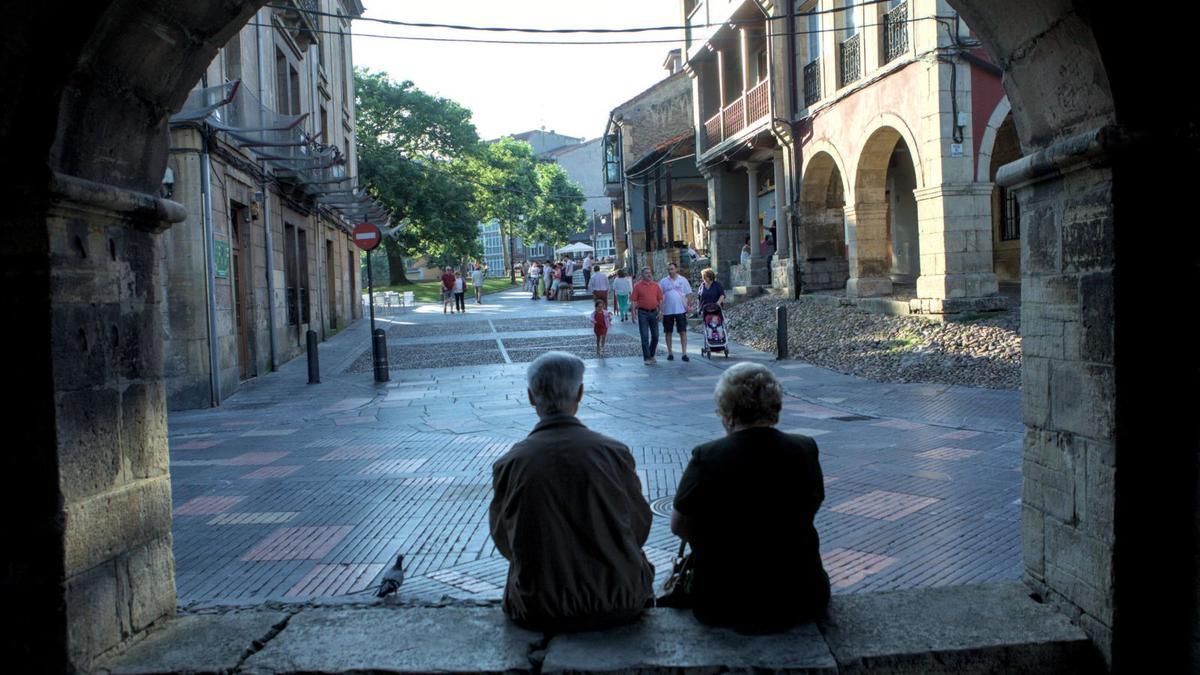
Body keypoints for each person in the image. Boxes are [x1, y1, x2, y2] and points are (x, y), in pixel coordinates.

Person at [489, 352, 654, 631]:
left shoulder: (511, 463)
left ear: (531, 397)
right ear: (580, 393)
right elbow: (639, 526)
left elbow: (505, 539)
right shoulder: (613, 453)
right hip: (620, 600)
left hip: (539, 605)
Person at [670, 363, 830, 632]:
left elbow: (678, 525)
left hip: (725, 600)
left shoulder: (707, 456)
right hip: (801, 594)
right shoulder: (804, 449)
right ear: (774, 405)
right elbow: (811, 504)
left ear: (727, 411)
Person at [659, 262, 694, 362]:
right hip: (667, 311)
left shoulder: (683, 280)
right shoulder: (663, 281)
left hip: (680, 310)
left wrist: (688, 305)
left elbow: (689, 293)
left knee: (682, 331)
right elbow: (659, 297)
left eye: (672, 269)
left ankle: (684, 353)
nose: (670, 271)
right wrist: (660, 311)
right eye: (669, 269)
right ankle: (670, 352)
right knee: (668, 332)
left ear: (676, 269)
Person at [630, 267, 663, 366]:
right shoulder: (637, 286)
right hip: (642, 313)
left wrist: (661, 311)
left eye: (650, 272)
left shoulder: (656, 285)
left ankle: (651, 355)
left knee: (656, 336)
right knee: (644, 336)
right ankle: (647, 357)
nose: (649, 274)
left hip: (654, 313)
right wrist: (633, 313)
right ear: (642, 275)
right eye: (646, 273)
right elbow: (633, 301)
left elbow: (660, 299)